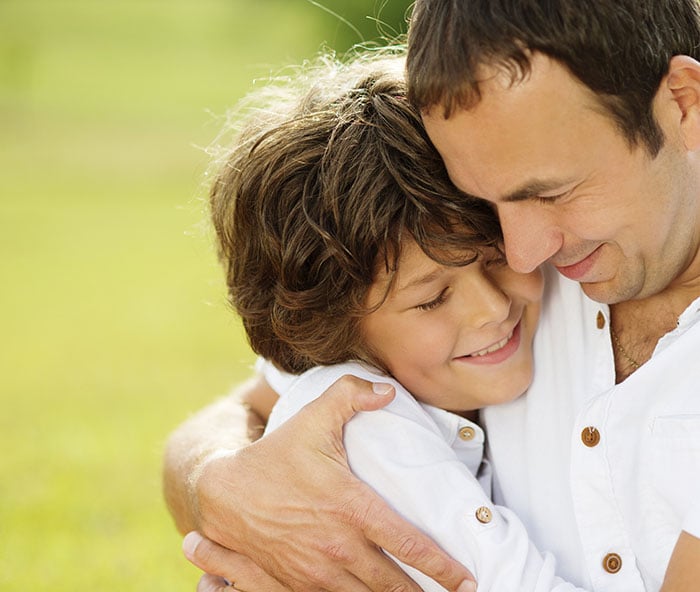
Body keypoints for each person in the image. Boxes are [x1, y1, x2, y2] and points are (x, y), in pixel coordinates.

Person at [163, 1, 700, 590]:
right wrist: (225, 487)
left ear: (684, 102)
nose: (522, 252)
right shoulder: (527, 267)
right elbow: (248, 411)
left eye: (550, 193)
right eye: (490, 204)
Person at [188, 48, 597, 591]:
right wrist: (214, 479)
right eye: (431, 300)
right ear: (337, 333)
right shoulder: (359, 418)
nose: (492, 308)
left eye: (495, 257)